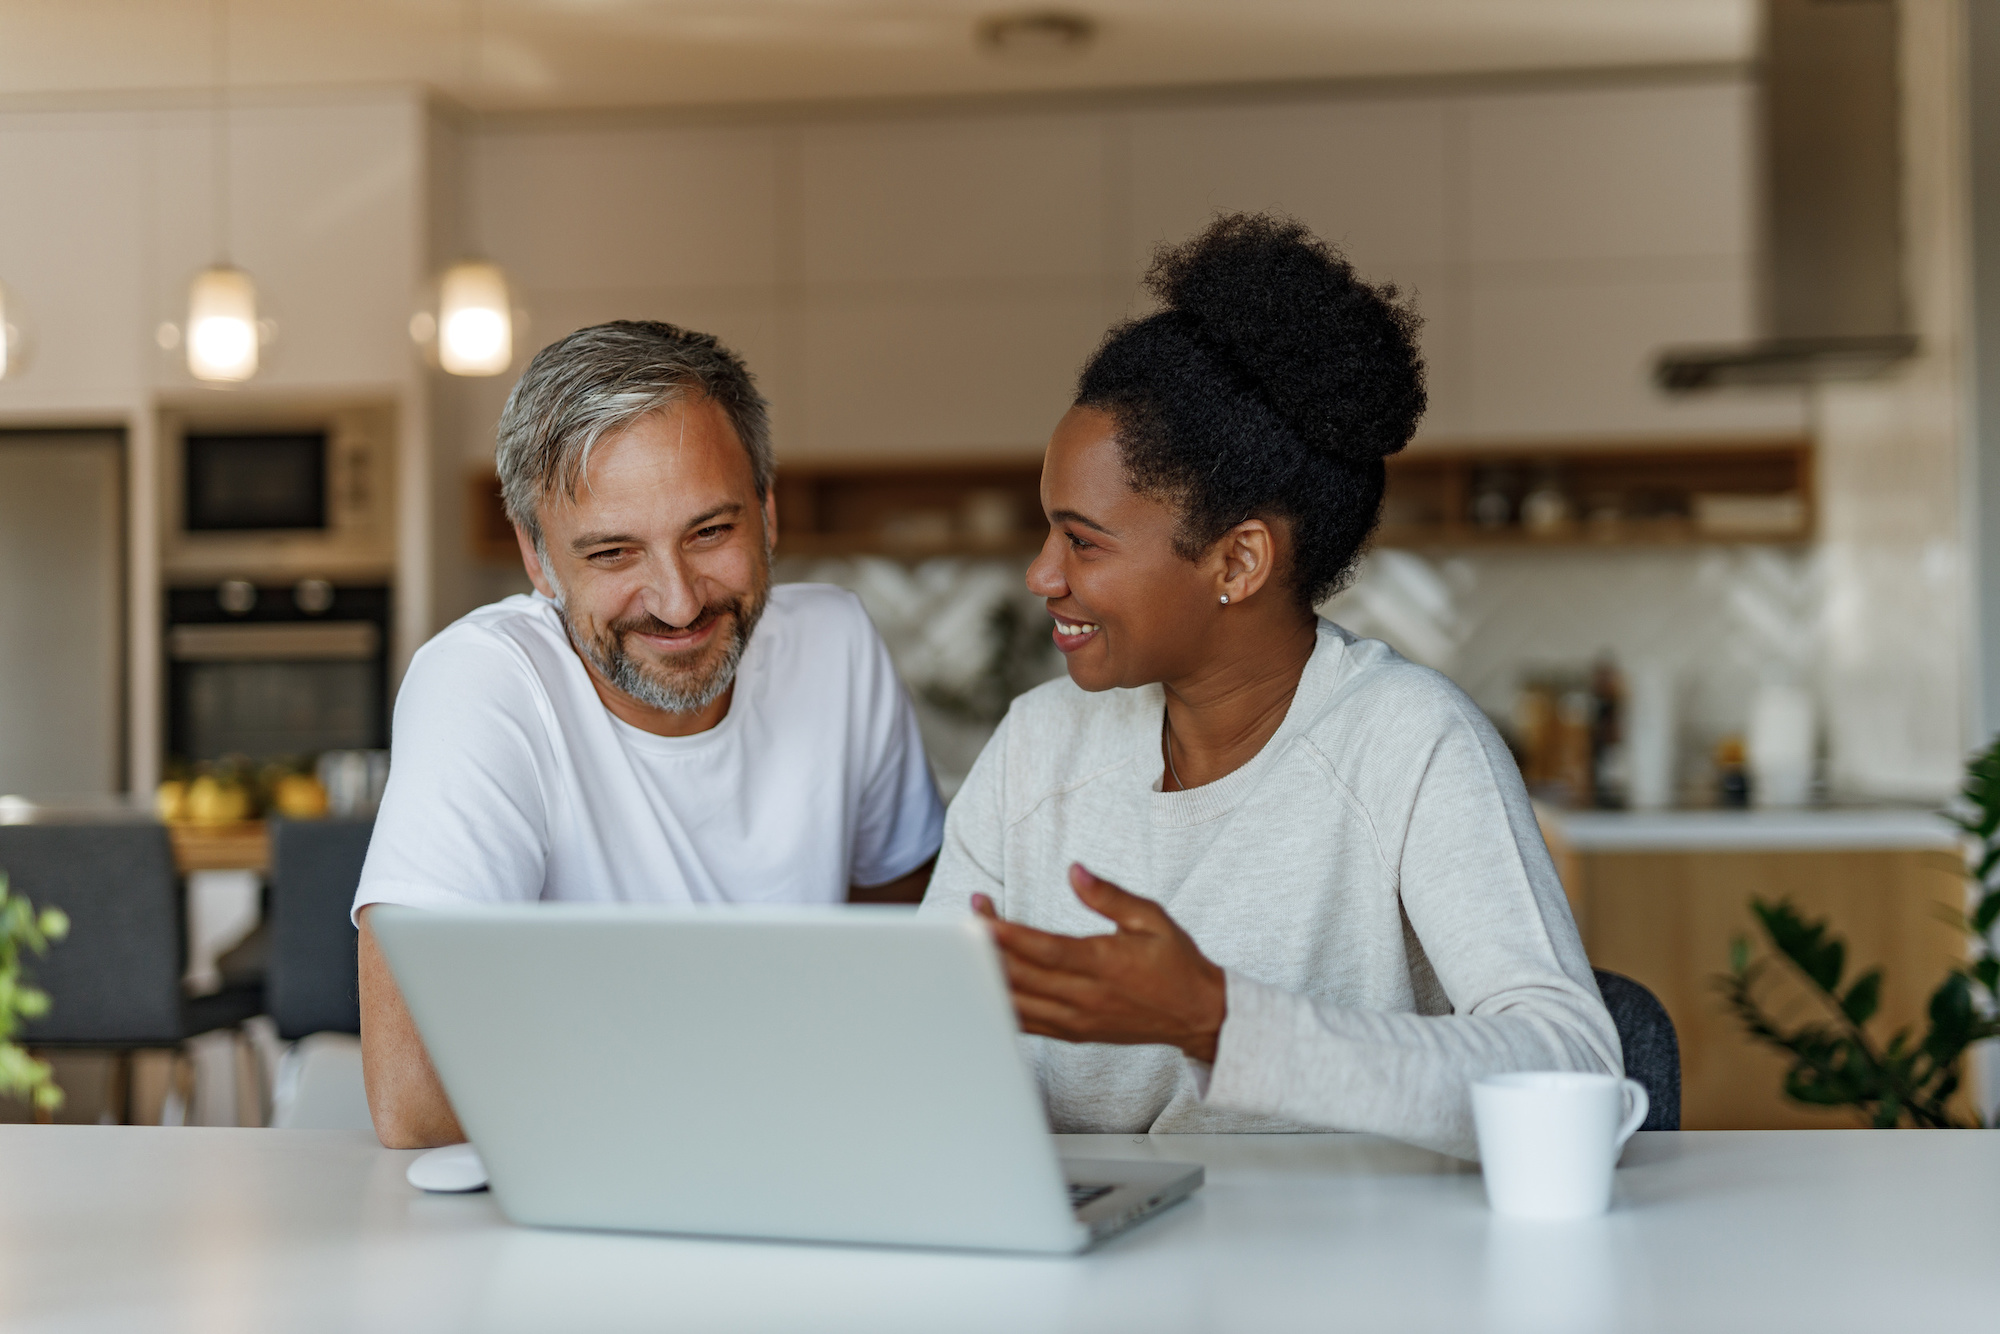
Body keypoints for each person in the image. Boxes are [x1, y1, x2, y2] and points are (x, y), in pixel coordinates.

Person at [919, 216, 1619, 1160]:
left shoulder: (1409, 745)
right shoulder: (1037, 747)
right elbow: (929, 1044)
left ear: (1239, 560)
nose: (1042, 574)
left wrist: (1220, 1023)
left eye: (1082, 541)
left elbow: (1572, 1068)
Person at [356, 321, 944, 1148]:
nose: (677, 601)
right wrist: (789, 1066)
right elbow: (415, 1099)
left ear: (767, 513)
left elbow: (911, 964)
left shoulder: (836, 644)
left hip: (805, 1173)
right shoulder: (482, 683)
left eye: (711, 533)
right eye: (612, 553)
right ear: (536, 556)